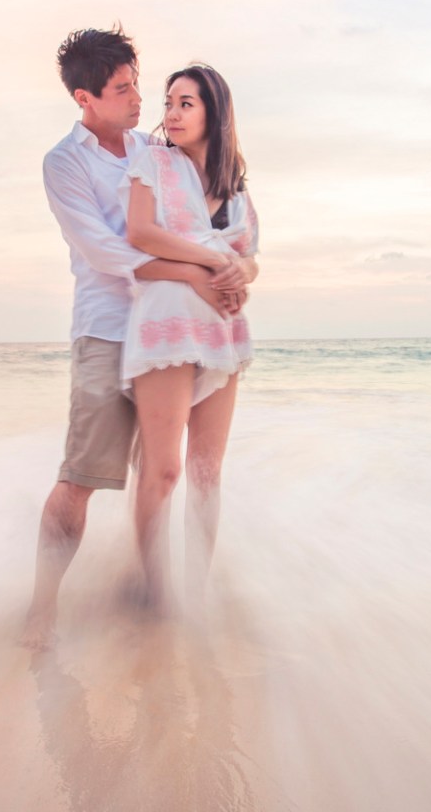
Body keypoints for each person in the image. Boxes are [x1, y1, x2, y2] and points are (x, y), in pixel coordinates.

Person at [22, 29, 243, 651]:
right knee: (83, 474)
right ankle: (42, 609)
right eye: (123, 90)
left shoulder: (157, 148)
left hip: (171, 332)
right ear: (86, 98)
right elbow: (103, 250)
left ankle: (151, 591)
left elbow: (209, 217)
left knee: (163, 473)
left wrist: (231, 270)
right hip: (109, 328)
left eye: (138, 84)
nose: (140, 99)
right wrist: (199, 274)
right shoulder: (64, 162)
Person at [119, 64, 258, 609]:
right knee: (166, 466)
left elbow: (250, 260)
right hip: (167, 327)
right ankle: (154, 594)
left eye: (186, 104)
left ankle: (194, 594)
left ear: (214, 113)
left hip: (223, 333)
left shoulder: (237, 191)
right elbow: (140, 236)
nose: (171, 114)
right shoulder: (151, 161)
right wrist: (210, 261)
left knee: (206, 471)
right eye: (168, 103)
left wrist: (242, 272)